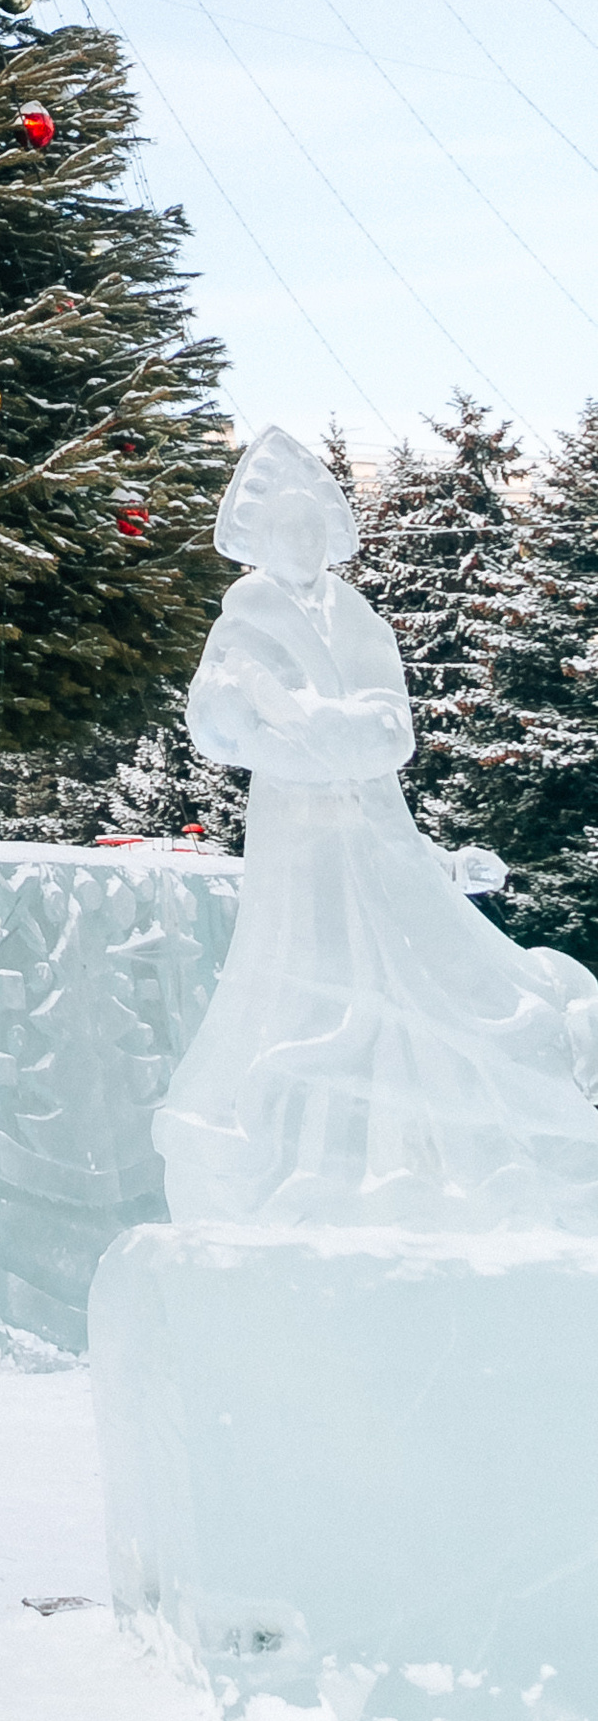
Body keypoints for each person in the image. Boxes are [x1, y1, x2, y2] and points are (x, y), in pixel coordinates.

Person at [158, 424, 598, 1233]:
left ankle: (444, 1148)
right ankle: (313, 1158)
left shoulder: (360, 619)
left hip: (375, 823)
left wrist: (317, 726)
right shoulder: (244, 621)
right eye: (285, 529)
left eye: (313, 528)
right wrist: (297, 732)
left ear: (329, 536)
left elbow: (392, 730)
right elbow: (217, 725)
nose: (301, 541)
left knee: (423, 958)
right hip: (298, 834)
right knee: (309, 969)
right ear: (259, 540)